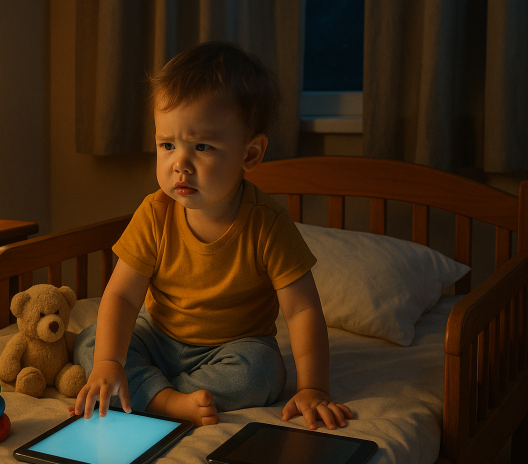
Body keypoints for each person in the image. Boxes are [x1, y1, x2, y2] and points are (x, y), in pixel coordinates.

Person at [73, 41, 352, 430]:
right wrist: (108, 362)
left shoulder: (267, 225)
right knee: (92, 341)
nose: (180, 164)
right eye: (167, 145)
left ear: (250, 154)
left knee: (263, 372)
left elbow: (302, 310)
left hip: (233, 347)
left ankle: (150, 392)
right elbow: (121, 295)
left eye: (202, 146)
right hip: (159, 335)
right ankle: (169, 400)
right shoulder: (154, 214)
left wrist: (314, 388)